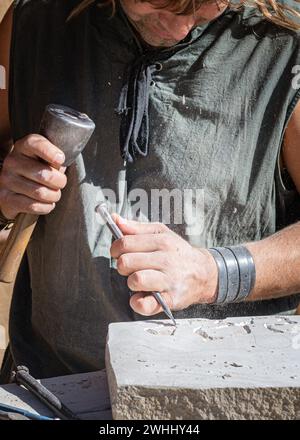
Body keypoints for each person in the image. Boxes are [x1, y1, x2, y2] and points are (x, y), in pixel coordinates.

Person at [0, 0, 300, 381]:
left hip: (223, 389)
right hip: (50, 384)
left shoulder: (283, 46)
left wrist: (212, 273)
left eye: (208, 6)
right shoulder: (35, 23)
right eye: (159, 3)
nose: (177, 29)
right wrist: (5, 190)